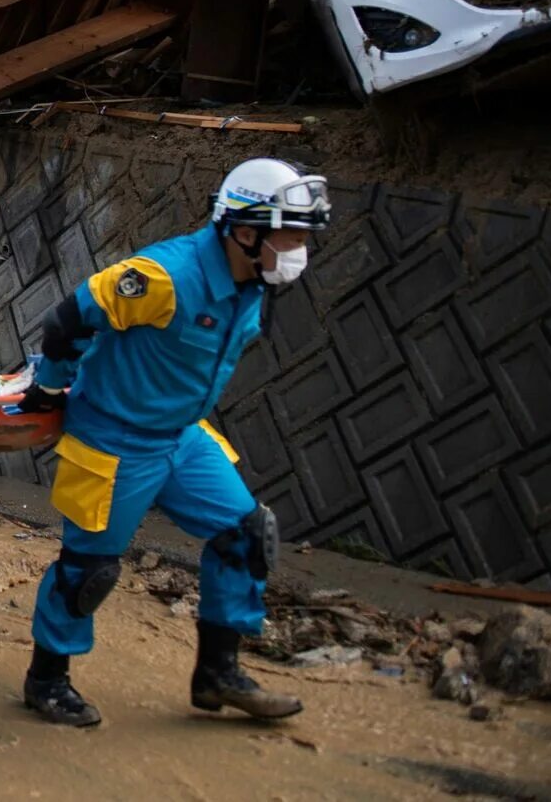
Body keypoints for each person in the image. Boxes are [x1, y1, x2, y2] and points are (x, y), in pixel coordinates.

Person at [19, 158, 331, 728]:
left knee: (246, 534)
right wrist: (50, 384)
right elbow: (68, 320)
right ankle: (47, 679)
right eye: (291, 233)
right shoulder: (163, 277)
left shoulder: (250, 283)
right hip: (114, 438)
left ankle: (217, 675)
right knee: (89, 569)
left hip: (181, 437)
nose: (298, 249)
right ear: (244, 229)